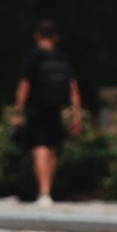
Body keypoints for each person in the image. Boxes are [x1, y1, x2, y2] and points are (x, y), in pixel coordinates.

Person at [10, 20, 83, 206]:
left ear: (37, 36)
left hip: (37, 109)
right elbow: (73, 88)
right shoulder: (62, 58)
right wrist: (76, 116)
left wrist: (17, 112)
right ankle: (48, 190)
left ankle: (43, 193)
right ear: (55, 38)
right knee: (51, 149)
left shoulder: (32, 57)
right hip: (56, 109)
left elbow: (24, 86)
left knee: (39, 148)